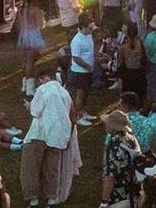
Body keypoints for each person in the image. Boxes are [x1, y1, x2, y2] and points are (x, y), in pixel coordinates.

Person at [20, 70, 74, 208]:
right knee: (51, 168)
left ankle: (33, 200)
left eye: (39, 80)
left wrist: (29, 106)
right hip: (59, 135)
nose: (39, 84)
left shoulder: (43, 89)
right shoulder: (65, 93)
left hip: (40, 133)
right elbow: (70, 114)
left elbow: (36, 111)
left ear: (44, 78)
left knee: (31, 166)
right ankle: (51, 199)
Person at [100, 110, 141, 208]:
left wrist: (104, 201)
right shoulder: (132, 139)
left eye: (108, 123)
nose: (105, 125)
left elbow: (110, 177)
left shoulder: (114, 146)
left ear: (113, 127)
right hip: (133, 190)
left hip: (118, 196)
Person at [67, 13, 97, 126]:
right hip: (80, 72)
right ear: (82, 28)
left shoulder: (88, 35)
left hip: (87, 71)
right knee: (80, 94)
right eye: (89, 28)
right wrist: (87, 66)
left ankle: (83, 112)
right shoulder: (77, 40)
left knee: (86, 93)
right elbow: (75, 57)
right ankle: (78, 116)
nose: (91, 30)